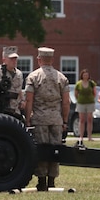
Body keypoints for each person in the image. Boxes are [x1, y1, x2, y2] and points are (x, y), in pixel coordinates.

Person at [24, 47, 71, 191]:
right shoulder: (61, 78)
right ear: (52, 60)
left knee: (42, 149)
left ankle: (42, 180)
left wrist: (27, 119)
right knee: (55, 149)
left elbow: (29, 100)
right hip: (56, 119)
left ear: (39, 59)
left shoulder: (33, 77)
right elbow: (66, 102)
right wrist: (64, 120)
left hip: (39, 119)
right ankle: (52, 180)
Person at [0, 47, 24, 117]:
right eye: (11, 59)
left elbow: (19, 90)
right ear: (4, 59)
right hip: (0, 111)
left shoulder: (19, 74)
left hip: (15, 111)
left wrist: (22, 101)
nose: (14, 61)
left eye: (15, 59)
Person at [73, 68, 97, 148]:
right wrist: (79, 99)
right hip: (81, 103)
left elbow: (94, 93)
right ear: (82, 75)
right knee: (82, 120)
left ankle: (90, 136)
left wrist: (90, 98)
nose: (85, 76)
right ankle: (81, 136)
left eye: (87, 75)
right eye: (84, 75)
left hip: (90, 103)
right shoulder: (79, 84)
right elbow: (76, 93)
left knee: (90, 119)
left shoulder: (91, 83)